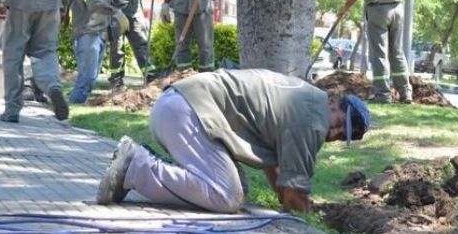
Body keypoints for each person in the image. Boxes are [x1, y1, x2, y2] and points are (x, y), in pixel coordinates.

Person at [95, 69, 371, 213]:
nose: (333, 133)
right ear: (333, 101)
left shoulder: (306, 100)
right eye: (338, 123)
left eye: (340, 136)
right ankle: (136, 166)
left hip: (178, 107)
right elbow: (294, 195)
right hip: (188, 113)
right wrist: (306, 212)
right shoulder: (313, 119)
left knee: (239, 186)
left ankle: (142, 165)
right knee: (227, 196)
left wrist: (285, 196)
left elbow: (275, 169)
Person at [68, 0, 129, 104]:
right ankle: (73, 107)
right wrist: (116, 13)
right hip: (87, 34)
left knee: (91, 77)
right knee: (87, 77)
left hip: (99, 35)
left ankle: (76, 106)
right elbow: (94, 3)